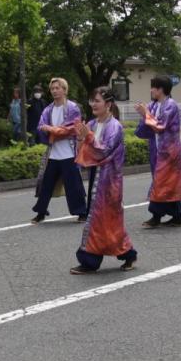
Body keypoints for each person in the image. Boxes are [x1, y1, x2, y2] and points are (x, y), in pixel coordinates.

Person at [71, 87, 137, 274]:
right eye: (92, 100)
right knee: (102, 220)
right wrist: (81, 138)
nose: (93, 104)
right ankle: (126, 254)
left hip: (109, 181)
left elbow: (104, 151)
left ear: (108, 104)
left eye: (97, 100)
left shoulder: (114, 126)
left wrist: (88, 137)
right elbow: (86, 149)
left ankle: (91, 260)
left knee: (105, 219)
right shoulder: (91, 123)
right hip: (96, 177)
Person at [32, 77, 87, 223]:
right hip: (53, 154)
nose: (55, 91)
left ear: (64, 89)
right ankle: (41, 212)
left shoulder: (72, 108)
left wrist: (50, 130)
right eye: (52, 89)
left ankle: (81, 212)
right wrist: (55, 131)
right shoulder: (48, 109)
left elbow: (71, 128)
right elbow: (40, 127)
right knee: (45, 184)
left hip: (69, 153)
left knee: (73, 185)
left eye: (58, 88)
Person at [135, 76, 181, 226]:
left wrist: (145, 114)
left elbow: (160, 126)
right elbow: (146, 128)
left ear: (161, 89)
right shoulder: (153, 105)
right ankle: (177, 216)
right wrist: (144, 115)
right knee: (168, 184)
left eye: (153, 88)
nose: (151, 90)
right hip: (157, 149)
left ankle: (156, 216)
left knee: (160, 182)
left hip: (170, 153)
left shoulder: (171, 105)